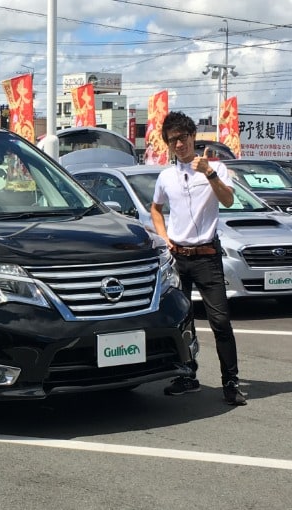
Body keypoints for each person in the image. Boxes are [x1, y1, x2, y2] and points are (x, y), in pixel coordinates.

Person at [150, 111, 246, 406]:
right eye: (172, 140)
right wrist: (164, 238)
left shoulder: (216, 168)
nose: (178, 144)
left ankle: (231, 382)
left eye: (182, 137)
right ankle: (187, 376)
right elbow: (156, 209)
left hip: (207, 256)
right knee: (183, 321)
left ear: (192, 136)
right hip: (178, 257)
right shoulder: (166, 176)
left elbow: (228, 199)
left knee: (220, 321)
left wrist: (209, 172)